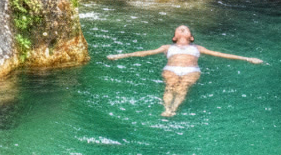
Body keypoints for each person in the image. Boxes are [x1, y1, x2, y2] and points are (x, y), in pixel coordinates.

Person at [107, 24, 262, 117]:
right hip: (171, 69)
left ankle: (174, 109)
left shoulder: (198, 48)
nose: (182, 29)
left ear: (191, 37)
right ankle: (167, 109)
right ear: (174, 37)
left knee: (182, 88)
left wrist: (248, 58)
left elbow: (222, 55)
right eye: (179, 29)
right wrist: (120, 56)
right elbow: (144, 52)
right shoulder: (167, 47)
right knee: (170, 86)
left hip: (191, 70)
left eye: (185, 29)